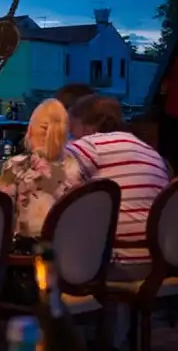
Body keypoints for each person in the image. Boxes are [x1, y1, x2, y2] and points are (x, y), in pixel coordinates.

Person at [66, 94, 170, 280]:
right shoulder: (149, 151)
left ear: (87, 127)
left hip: (116, 261)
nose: (72, 139)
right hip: (158, 260)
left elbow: (48, 180)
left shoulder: (90, 145)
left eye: (73, 132)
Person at [0, 99, 83, 241]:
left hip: (27, 251)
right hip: (66, 250)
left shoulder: (16, 166)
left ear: (30, 131)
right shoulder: (76, 166)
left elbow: (2, 216)